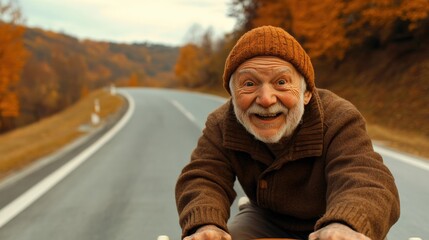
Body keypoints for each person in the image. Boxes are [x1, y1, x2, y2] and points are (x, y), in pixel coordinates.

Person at [175, 25, 400, 240]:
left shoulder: (338, 117)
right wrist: (206, 224)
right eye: (249, 84)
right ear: (233, 95)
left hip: (336, 219)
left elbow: (366, 178)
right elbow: (203, 177)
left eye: (281, 82)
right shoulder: (221, 123)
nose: (265, 99)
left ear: (307, 93)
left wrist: (347, 224)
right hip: (266, 218)